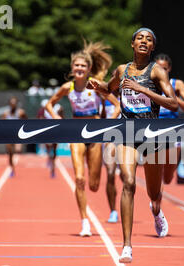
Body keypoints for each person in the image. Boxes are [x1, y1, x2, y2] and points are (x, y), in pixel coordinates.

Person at [88, 28, 178, 263]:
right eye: (140, 38)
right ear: (132, 44)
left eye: (149, 39)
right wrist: (98, 87)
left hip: (151, 135)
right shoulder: (122, 70)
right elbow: (110, 88)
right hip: (126, 131)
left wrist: (142, 89)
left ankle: (156, 210)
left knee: (153, 192)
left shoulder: (156, 72)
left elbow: (174, 103)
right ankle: (127, 245)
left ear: (152, 48)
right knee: (128, 182)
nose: (144, 41)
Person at [45, 39, 119, 237]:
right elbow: (50, 105)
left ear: (89, 69)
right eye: (76, 65)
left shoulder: (95, 86)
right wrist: (58, 121)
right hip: (76, 131)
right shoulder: (67, 87)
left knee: (94, 185)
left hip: (95, 133)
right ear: (72, 68)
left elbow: (117, 105)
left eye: (83, 65)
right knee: (79, 179)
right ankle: (84, 221)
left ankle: (94, 198)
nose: (79, 68)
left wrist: (109, 123)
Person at [154, 53, 184, 185]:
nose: (161, 71)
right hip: (153, 130)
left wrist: (174, 100)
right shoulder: (147, 84)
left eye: (164, 68)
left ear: (169, 69)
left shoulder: (177, 84)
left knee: (167, 178)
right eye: (158, 68)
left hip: (173, 132)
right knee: (155, 172)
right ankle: (155, 203)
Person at [101, 91, 122, 223]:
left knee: (127, 178)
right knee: (110, 174)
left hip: (127, 138)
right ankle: (113, 211)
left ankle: (126, 205)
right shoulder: (105, 97)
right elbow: (101, 117)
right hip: (110, 139)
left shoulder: (129, 95)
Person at [36, 99, 64, 178]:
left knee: (54, 150)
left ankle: (53, 167)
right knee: (48, 147)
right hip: (47, 130)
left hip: (56, 130)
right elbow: (40, 118)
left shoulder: (59, 108)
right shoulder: (44, 109)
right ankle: (49, 157)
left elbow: (62, 117)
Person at [2, 96, 27, 177]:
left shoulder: (21, 112)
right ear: (9, 104)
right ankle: (12, 168)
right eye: (11, 103)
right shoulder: (6, 113)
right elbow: (1, 124)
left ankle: (13, 167)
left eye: (14, 103)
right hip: (9, 135)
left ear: (16, 104)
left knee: (18, 149)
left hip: (18, 135)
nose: (13, 104)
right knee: (10, 154)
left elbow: (27, 121)